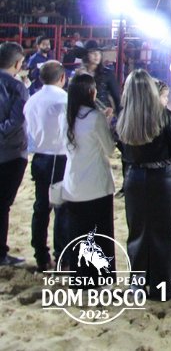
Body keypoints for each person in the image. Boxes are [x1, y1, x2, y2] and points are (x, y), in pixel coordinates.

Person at [117, 69, 171, 301]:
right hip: (163, 177)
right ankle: (164, 285)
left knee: (137, 231)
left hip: (134, 177)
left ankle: (137, 282)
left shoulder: (124, 118)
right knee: (166, 231)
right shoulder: (165, 116)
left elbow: (123, 152)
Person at [59, 73, 116, 279]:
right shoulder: (94, 117)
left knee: (77, 233)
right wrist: (107, 122)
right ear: (91, 93)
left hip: (73, 182)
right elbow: (109, 149)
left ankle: (79, 276)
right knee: (100, 232)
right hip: (96, 183)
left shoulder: (65, 115)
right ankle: (100, 277)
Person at [24, 61, 68, 271]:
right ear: (62, 78)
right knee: (61, 208)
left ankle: (41, 256)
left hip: (40, 157)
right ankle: (62, 257)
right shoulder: (64, 99)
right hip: (59, 157)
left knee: (41, 208)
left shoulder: (32, 100)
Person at [0, 41, 28, 266]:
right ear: (17, 64)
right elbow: (17, 121)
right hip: (10, 154)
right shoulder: (17, 87)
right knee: (2, 206)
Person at [75, 40, 120, 114]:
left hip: (103, 112)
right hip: (83, 112)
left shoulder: (107, 73)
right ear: (86, 55)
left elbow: (116, 96)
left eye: (99, 52)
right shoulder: (79, 74)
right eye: (93, 53)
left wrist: (118, 114)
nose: (96, 55)